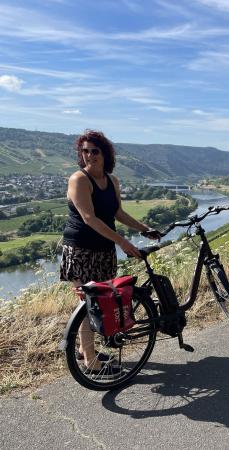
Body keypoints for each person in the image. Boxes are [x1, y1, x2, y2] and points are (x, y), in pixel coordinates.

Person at [60, 130, 161, 373]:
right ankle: (91, 362)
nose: (89, 155)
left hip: (103, 250)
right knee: (88, 304)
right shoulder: (79, 180)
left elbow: (118, 213)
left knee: (100, 302)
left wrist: (144, 228)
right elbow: (89, 218)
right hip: (81, 250)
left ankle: (87, 350)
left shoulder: (112, 180)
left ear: (105, 154)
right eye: (85, 151)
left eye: (94, 151)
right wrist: (124, 242)